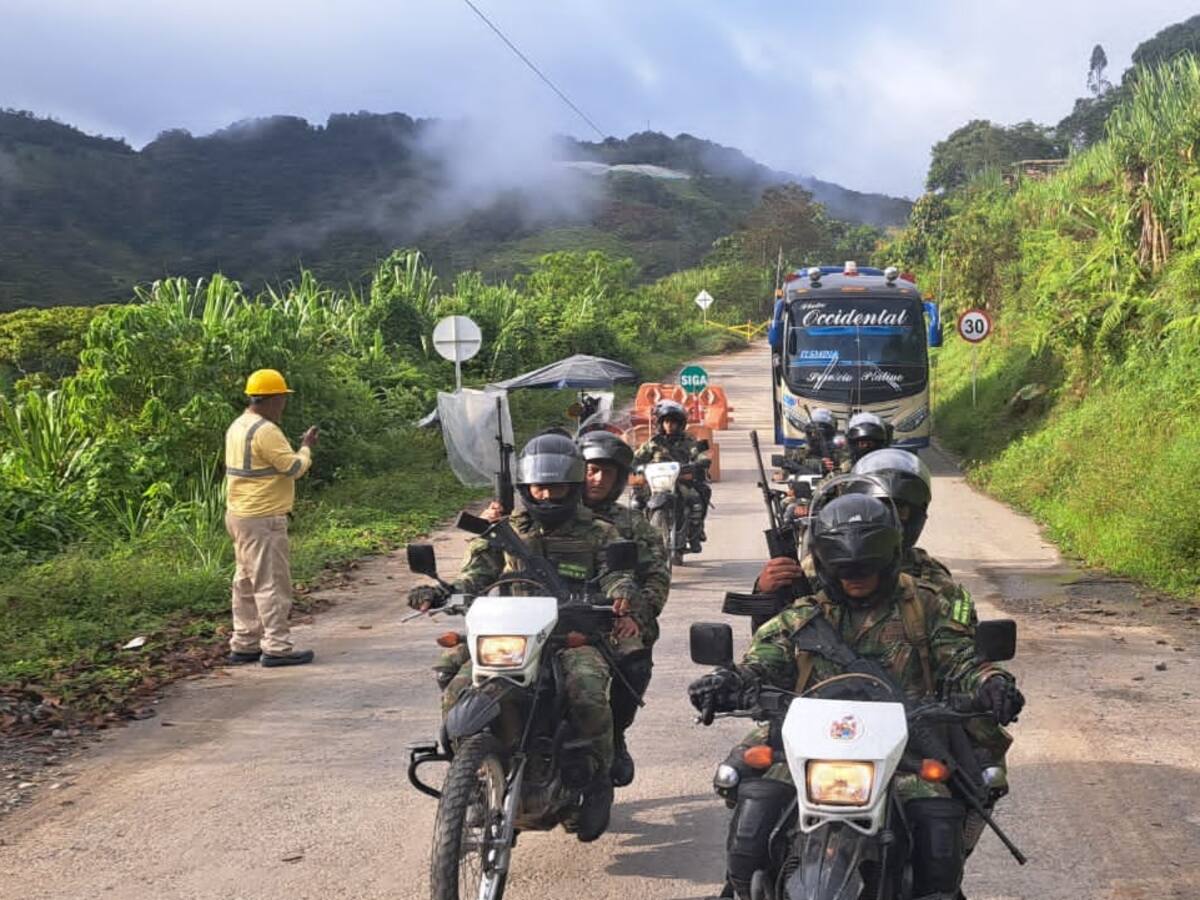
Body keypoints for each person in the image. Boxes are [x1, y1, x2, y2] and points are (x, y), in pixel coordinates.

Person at [689, 494, 1024, 899]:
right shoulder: (804, 614)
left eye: (867, 567)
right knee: (750, 800)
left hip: (905, 747)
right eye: (844, 569)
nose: (856, 577)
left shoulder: (926, 607)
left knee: (938, 826)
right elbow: (763, 659)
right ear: (825, 565)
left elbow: (962, 660)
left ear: (890, 559)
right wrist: (727, 681)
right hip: (808, 741)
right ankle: (743, 890)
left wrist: (992, 682)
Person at [407, 431, 644, 842]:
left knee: (587, 690)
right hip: (512, 633)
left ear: (571, 487)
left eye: (555, 486)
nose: (546, 495)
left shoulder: (601, 532)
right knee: (455, 682)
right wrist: (440, 591)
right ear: (525, 488)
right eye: (538, 486)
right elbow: (475, 572)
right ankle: (473, 777)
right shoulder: (506, 529)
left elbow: (619, 573)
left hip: (571, 634)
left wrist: (621, 594)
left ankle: (597, 778)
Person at [578, 430, 671, 787]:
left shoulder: (634, 526)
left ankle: (614, 734)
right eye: (590, 469)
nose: (597, 478)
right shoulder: (547, 512)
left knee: (633, 663)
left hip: (610, 621)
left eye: (607, 472)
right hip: (549, 619)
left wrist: (633, 615)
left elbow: (656, 578)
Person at [223, 369, 319, 667]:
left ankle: (245, 642)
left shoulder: (238, 425)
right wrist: (306, 448)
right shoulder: (265, 430)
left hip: (240, 514)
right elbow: (292, 468)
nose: (283, 405)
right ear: (273, 399)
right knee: (271, 583)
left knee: (245, 582)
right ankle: (277, 646)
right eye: (282, 399)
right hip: (263, 517)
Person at [633, 399, 711, 553]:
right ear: (661, 424)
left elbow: (699, 453)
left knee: (699, 496)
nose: (670, 425)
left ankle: (696, 533)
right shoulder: (653, 442)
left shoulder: (688, 441)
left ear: (680, 424)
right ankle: (635, 535)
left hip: (680, 481)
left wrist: (701, 462)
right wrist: (632, 464)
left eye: (673, 422)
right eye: (666, 422)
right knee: (636, 501)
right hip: (655, 483)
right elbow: (637, 457)